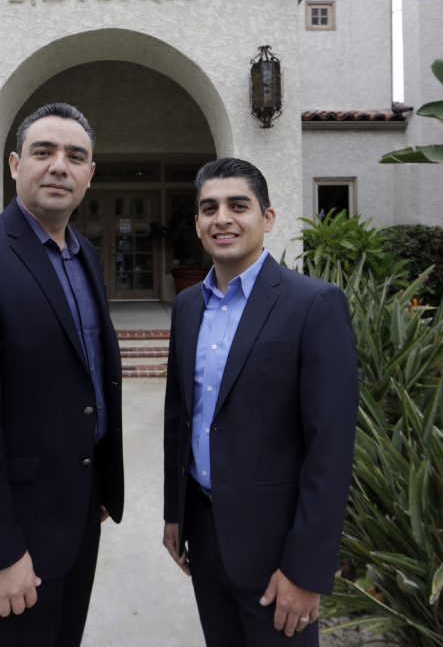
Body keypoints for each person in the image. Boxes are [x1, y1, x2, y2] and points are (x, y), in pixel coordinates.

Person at [0, 102, 124, 647]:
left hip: (80, 506)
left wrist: (99, 480)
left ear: (89, 175)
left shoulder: (84, 256)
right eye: (44, 151)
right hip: (18, 530)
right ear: (15, 164)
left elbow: (87, 376)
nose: (59, 165)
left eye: (75, 156)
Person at [161, 157, 358, 647]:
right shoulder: (187, 306)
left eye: (238, 205)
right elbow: (180, 417)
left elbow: (330, 449)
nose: (222, 218)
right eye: (210, 208)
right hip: (205, 535)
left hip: (278, 551)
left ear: (267, 218)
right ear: (197, 224)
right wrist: (175, 512)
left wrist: (307, 569)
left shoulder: (314, 304)